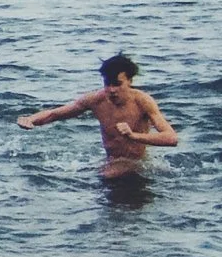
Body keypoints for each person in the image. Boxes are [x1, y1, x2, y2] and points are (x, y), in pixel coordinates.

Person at [20, 53, 180, 180]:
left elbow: (171, 138)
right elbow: (55, 114)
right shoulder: (96, 100)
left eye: (117, 84)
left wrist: (134, 136)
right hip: (111, 162)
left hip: (136, 165)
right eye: (107, 84)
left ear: (130, 81)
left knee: (108, 177)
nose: (111, 90)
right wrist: (31, 119)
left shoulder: (143, 101)